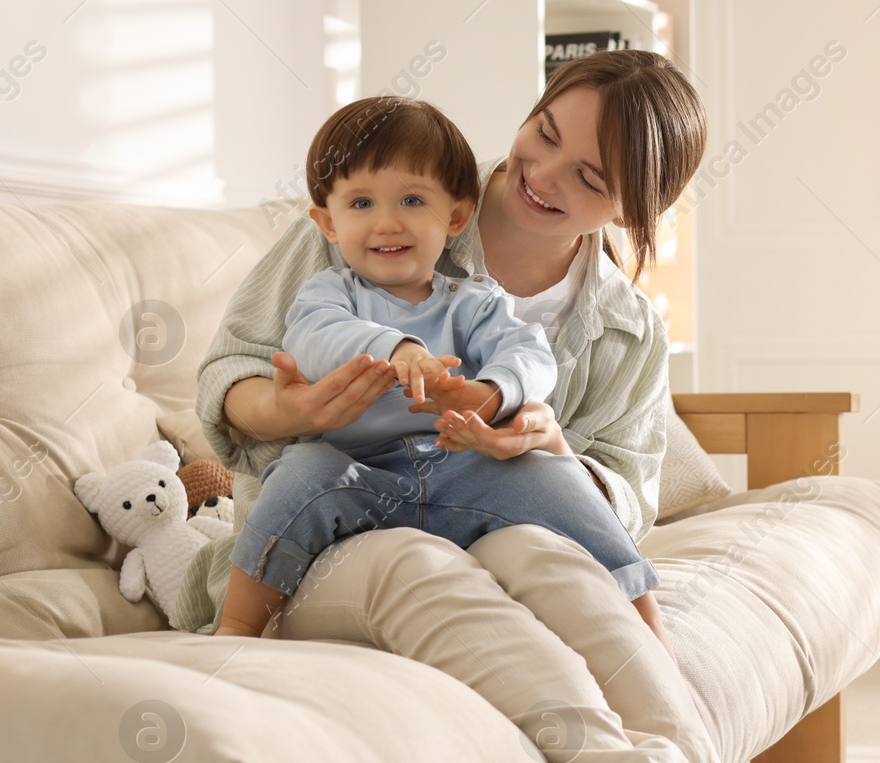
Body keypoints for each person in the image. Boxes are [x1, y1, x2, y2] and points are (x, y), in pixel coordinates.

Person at [181, 51, 827, 763]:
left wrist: (545, 443)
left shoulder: (623, 326)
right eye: (545, 133)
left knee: (567, 571)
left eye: (590, 177)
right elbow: (224, 379)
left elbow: (626, 489)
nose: (542, 174)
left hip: (503, 510)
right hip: (350, 534)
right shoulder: (397, 194)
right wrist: (295, 406)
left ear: (630, 208)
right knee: (426, 571)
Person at [215, 97, 667, 648]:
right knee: (303, 471)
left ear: (454, 216)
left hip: (463, 472)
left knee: (562, 481)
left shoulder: (474, 302)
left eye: (411, 201)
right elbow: (313, 336)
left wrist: (494, 395)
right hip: (358, 473)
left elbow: (526, 352)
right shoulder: (328, 290)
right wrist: (395, 349)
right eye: (360, 204)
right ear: (327, 224)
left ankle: (646, 617)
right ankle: (235, 628)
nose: (386, 222)